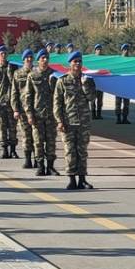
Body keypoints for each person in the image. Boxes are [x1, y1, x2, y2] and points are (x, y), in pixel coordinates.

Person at [54, 50, 97, 190]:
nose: (77, 64)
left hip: (83, 122)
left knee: (82, 151)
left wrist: (85, 85)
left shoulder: (88, 80)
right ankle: (72, 179)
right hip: (68, 122)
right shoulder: (62, 81)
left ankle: (82, 179)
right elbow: (57, 103)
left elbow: (92, 98)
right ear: (70, 64)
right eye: (75, 62)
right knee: (70, 151)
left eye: (79, 61)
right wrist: (60, 121)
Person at [24, 48, 60, 176]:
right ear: (38, 60)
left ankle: (50, 166)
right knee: (38, 142)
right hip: (37, 114)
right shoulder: (32, 75)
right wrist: (29, 114)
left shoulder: (54, 75)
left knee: (51, 141)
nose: (45, 60)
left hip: (51, 114)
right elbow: (28, 96)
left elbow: (59, 95)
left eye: (46, 58)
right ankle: (40, 166)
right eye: (42, 58)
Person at [0, 45, 18, 159]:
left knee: (12, 128)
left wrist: (9, 73)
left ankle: (13, 150)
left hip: (11, 103)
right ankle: (5, 150)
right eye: (1, 54)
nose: (3, 56)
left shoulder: (12, 68)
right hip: (0, 102)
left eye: (5, 54)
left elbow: (15, 85)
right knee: (2, 127)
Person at [11, 49, 35, 168]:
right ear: (23, 60)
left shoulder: (37, 73)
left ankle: (38, 159)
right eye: (27, 58)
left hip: (36, 109)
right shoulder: (18, 74)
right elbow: (14, 92)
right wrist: (15, 109)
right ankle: (28, 159)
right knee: (26, 135)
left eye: (31, 57)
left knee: (37, 136)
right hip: (23, 109)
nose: (29, 60)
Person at [114, 43, 131, 124]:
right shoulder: (118, 61)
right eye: (124, 49)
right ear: (122, 51)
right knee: (118, 103)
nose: (126, 51)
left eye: (127, 49)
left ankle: (125, 118)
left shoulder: (130, 61)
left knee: (126, 103)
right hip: (119, 85)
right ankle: (118, 118)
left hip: (127, 85)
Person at [90, 44, 104, 119]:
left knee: (100, 100)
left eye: (100, 49)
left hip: (101, 83)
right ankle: (93, 114)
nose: (99, 51)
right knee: (93, 100)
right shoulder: (92, 59)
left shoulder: (103, 60)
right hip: (93, 83)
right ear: (95, 50)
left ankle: (99, 114)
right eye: (97, 49)